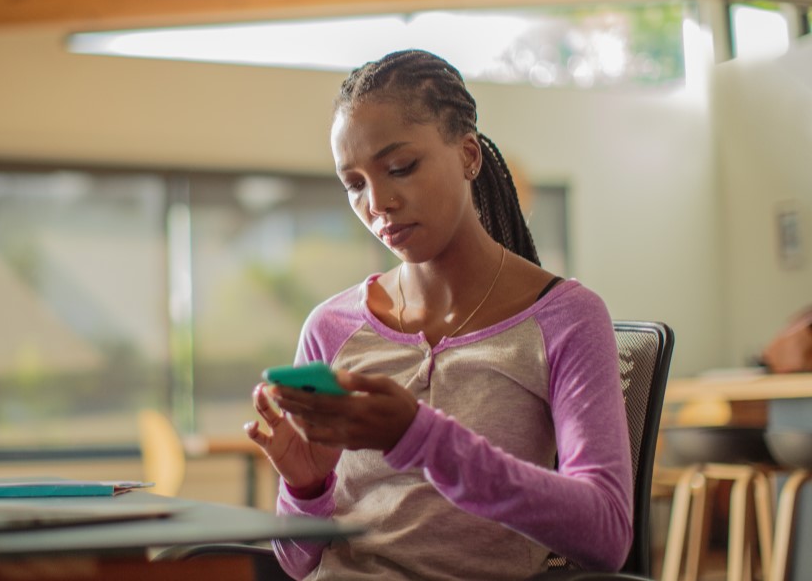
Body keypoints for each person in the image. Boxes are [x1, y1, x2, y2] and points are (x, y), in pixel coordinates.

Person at [243, 49, 632, 581]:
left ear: (468, 155)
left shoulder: (565, 319)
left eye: (400, 167)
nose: (377, 202)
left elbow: (607, 536)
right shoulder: (330, 327)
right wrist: (307, 488)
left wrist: (422, 439)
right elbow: (296, 563)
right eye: (354, 184)